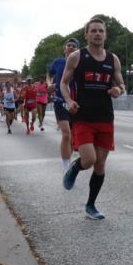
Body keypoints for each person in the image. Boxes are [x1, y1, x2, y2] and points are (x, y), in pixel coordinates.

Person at [60, 17, 125, 220]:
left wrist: (118, 89)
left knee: (100, 165)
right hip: (84, 117)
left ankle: (90, 205)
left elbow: (122, 85)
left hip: (105, 118)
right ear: (86, 35)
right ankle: (75, 167)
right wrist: (69, 100)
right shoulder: (77, 57)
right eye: (93, 31)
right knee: (89, 160)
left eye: (101, 31)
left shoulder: (112, 59)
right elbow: (63, 83)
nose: (97, 34)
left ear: (105, 35)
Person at [48, 38, 80, 169]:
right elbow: (49, 75)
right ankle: (66, 166)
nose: (71, 47)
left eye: (74, 46)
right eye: (69, 45)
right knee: (66, 133)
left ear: (78, 50)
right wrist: (50, 84)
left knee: (73, 136)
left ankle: (68, 157)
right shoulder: (58, 62)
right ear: (64, 49)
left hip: (76, 102)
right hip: (60, 101)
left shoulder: (80, 63)